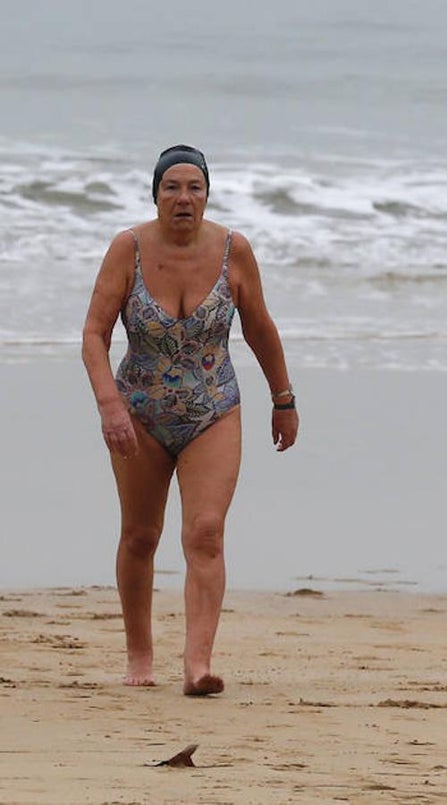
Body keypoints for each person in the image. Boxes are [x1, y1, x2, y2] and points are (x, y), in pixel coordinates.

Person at [81, 145, 300, 694]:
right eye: (171, 187)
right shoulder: (127, 249)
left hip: (213, 409)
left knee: (206, 532)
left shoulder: (234, 251)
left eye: (194, 187)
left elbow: (260, 328)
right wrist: (110, 404)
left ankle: (197, 664)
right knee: (140, 536)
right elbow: (93, 335)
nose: (183, 197)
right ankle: (140, 657)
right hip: (139, 414)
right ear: (155, 195)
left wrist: (284, 398)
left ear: (207, 195)